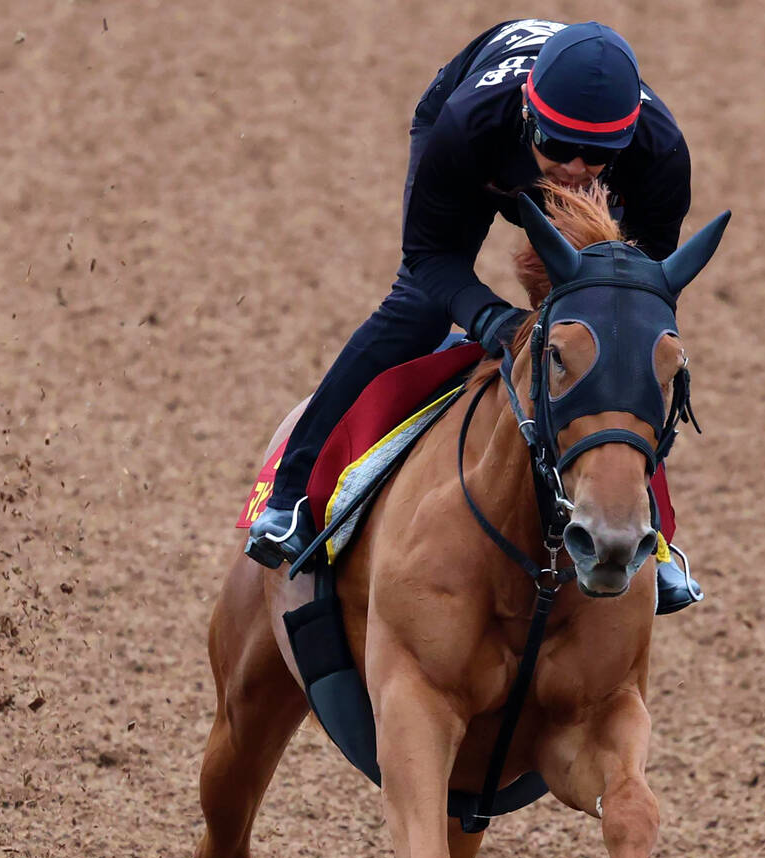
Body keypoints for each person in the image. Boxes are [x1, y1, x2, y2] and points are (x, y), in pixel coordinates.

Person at [247, 18, 703, 612]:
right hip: (471, 138)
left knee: (617, 349)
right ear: (525, 112)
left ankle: (656, 540)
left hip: (563, 178)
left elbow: (642, 302)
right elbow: (430, 256)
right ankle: (290, 500)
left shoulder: (660, 154)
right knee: (416, 309)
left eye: (597, 156)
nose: (573, 167)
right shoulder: (472, 123)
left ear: (627, 138)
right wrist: (489, 318)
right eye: (558, 146)